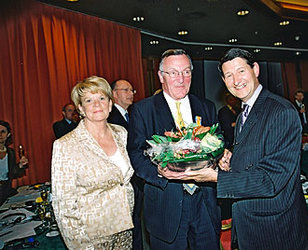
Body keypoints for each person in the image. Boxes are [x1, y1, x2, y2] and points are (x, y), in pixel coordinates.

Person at [183, 48, 308, 249]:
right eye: (229, 75)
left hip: (275, 231)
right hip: (249, 225)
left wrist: (216, 177)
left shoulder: (281, 111)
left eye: (241, 71)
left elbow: (270, 179)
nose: (236, 80)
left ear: (255, 69)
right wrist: (231, 159)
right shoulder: (246, 111)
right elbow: (258, 156)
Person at [128, 49, 221, 249]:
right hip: (166, 204)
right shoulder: (143, 110)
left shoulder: (207, 107)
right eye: (174, 73)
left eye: (186, 72)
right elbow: (135, 154)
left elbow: (218, 144)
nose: (181, 79)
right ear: (161, 76)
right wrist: (159, 172)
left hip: (204, 202)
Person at [51, 76, 134, 249]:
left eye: (102, 98)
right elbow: (63, 206)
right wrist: (78, 245)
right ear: (80, 108)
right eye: (89, 100)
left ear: (110, 104)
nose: (97, 104)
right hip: (91, 237)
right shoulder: (65, 145)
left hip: (125, 228)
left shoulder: (121, 133)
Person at [108, 78, 144, 250]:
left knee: (135, 220)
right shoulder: (110, 118)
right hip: (121, 179)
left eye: (132, 90)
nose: (131, 94)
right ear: (114, 94)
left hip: (135, 177)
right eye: (126, 90)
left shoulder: (133, 114)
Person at [0, 120, 28, 205]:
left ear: (8, 135)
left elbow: (12, 173)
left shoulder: (11, 152)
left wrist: (20, 165)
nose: (0, 134)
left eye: (3, 132)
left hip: (5, 190)